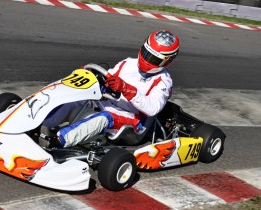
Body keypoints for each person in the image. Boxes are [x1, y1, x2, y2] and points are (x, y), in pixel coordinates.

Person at [42, 30, 180, 148]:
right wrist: (92, 76)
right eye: (145, 53)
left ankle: (58, 141)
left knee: (104, 118)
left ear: (167, 61)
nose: (146, 59)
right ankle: (41, 124)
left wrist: (126, 89)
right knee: (75, 98)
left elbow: (153, 108)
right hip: (107, 102)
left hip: (132, 119)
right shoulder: (128, 63)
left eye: (154, 59)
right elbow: (108, 78)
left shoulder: (164, 81)